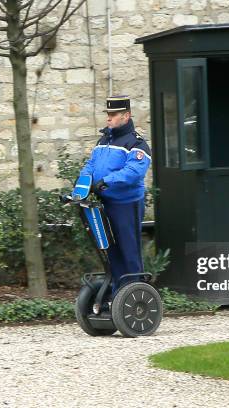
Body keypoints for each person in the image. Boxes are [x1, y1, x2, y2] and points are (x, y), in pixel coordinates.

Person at [77, 95, 152, 298]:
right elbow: (91, 165)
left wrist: (106, 181)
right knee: (111, 251)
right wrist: (82, 183)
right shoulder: (103, 141)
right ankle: (118, 294)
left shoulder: (137, 144)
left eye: (113, 114)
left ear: (126, 116)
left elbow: (133, 172)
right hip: (105, 203)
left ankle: (136, 296)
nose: (108, 118)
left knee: (129, 252)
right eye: (108, 114)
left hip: (127, 204)